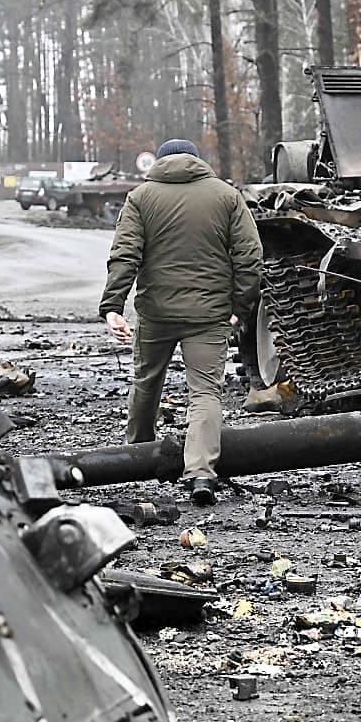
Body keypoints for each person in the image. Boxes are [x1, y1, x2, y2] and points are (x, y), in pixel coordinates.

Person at [100, 138, 262, 506]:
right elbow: (251, 256)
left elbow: (125, 254)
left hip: (156, 314)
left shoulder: (140, 197)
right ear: (196, 160)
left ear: (159, 162)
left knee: (146, 380)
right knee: (205, 392)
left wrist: (113, 305)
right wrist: (241, 306)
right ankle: (201, 472)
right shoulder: (226, 196)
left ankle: (137, 455)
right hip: (209, 315)